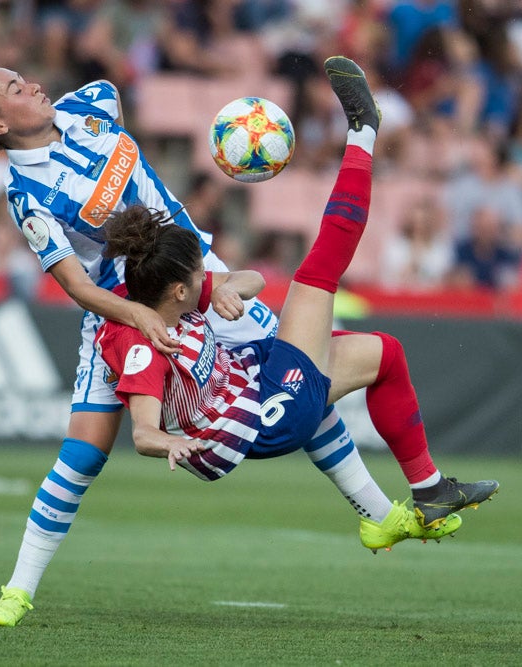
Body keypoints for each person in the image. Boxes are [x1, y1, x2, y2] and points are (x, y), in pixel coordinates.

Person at [0, 56, 494, 628]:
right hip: (123, 312)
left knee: (302, 373)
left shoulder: (90, 105)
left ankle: (379, 516)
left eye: (25, 77)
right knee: (84, 455)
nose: (33, 85)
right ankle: (18, 591)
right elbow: (76, 286)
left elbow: (115, 101)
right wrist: (138, 317)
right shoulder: (27, 195)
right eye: (16, 88)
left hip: (196, 278)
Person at [96, 56, 498, 570]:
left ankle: (430, 490)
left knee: (386, 355)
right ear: (177, 289)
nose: (206, 276)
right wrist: (169, 443)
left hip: (252, 378)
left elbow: (251, 280)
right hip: (259, 417)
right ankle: (363, 133)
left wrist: (226, 288)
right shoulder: (138, 341)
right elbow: (142, 432)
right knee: (322, 266)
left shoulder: (169, 295)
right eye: (199, 274)